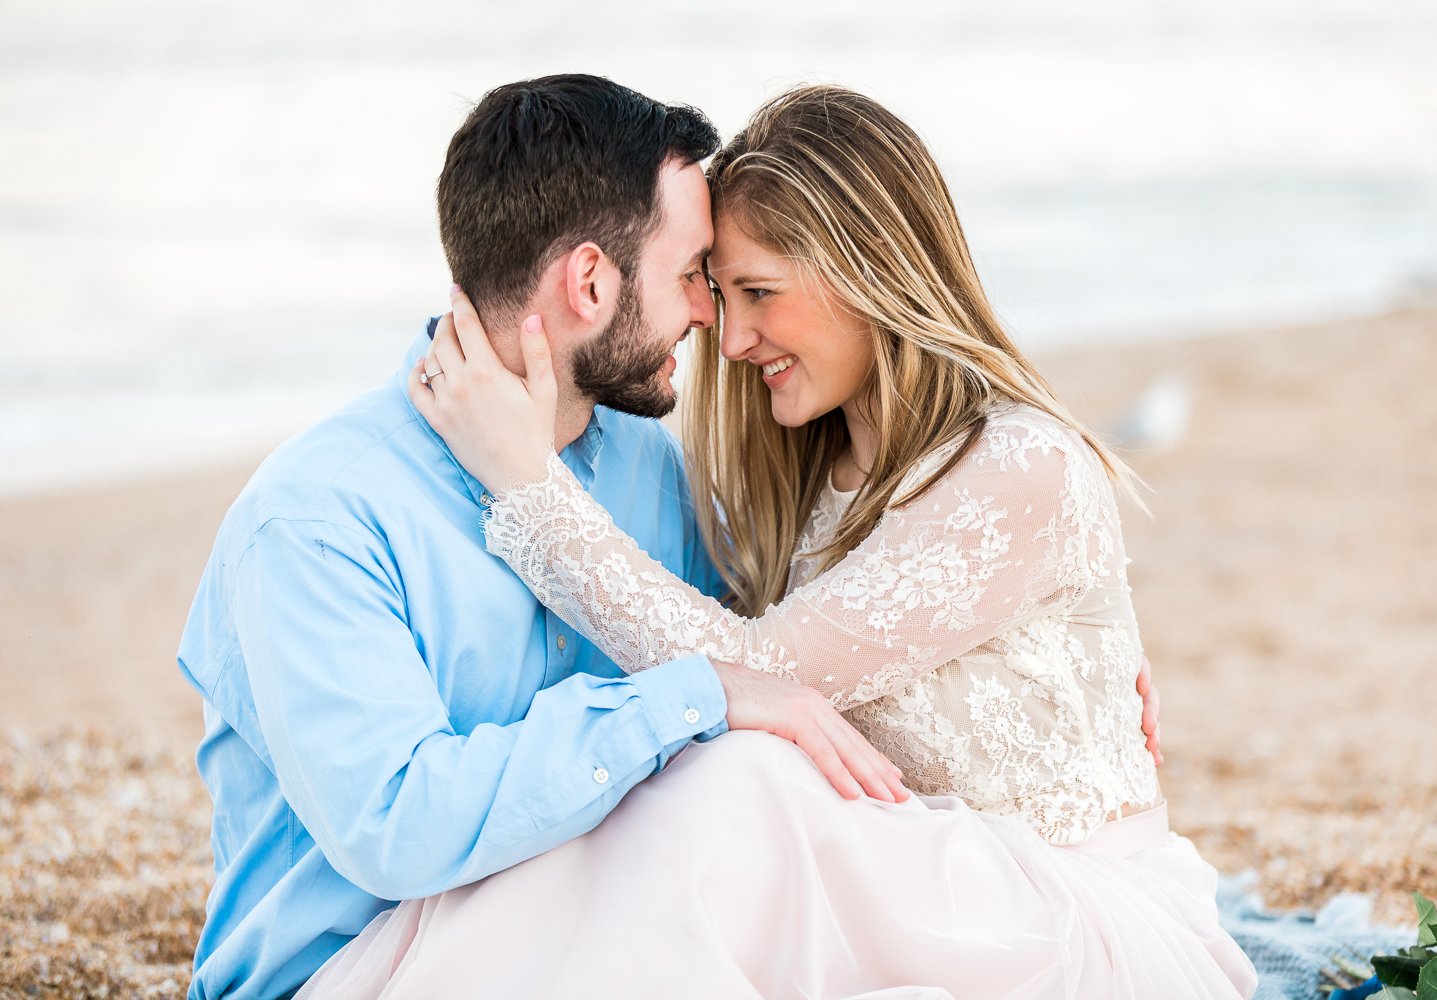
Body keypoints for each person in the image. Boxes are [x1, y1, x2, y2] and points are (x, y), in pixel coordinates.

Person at [377, 85, 1258, 998]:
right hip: (924, 887)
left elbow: (756, 672)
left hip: (1071, 917)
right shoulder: (806, 475)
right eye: (720, 293)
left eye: (760, 293)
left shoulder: (1021, 467)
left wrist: (525, 483)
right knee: (678, 814)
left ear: (872, 268)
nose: (732, 334)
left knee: (735, 785)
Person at [175, 75, 926, 1000]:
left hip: (604, 929)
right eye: (692, 273)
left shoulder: (652, 467)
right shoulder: (317, 517)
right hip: (350, 967)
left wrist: (1037, 660)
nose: (710, 315)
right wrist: (683, 701)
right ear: (589, 281)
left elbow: (772, 665)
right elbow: (399, 826)